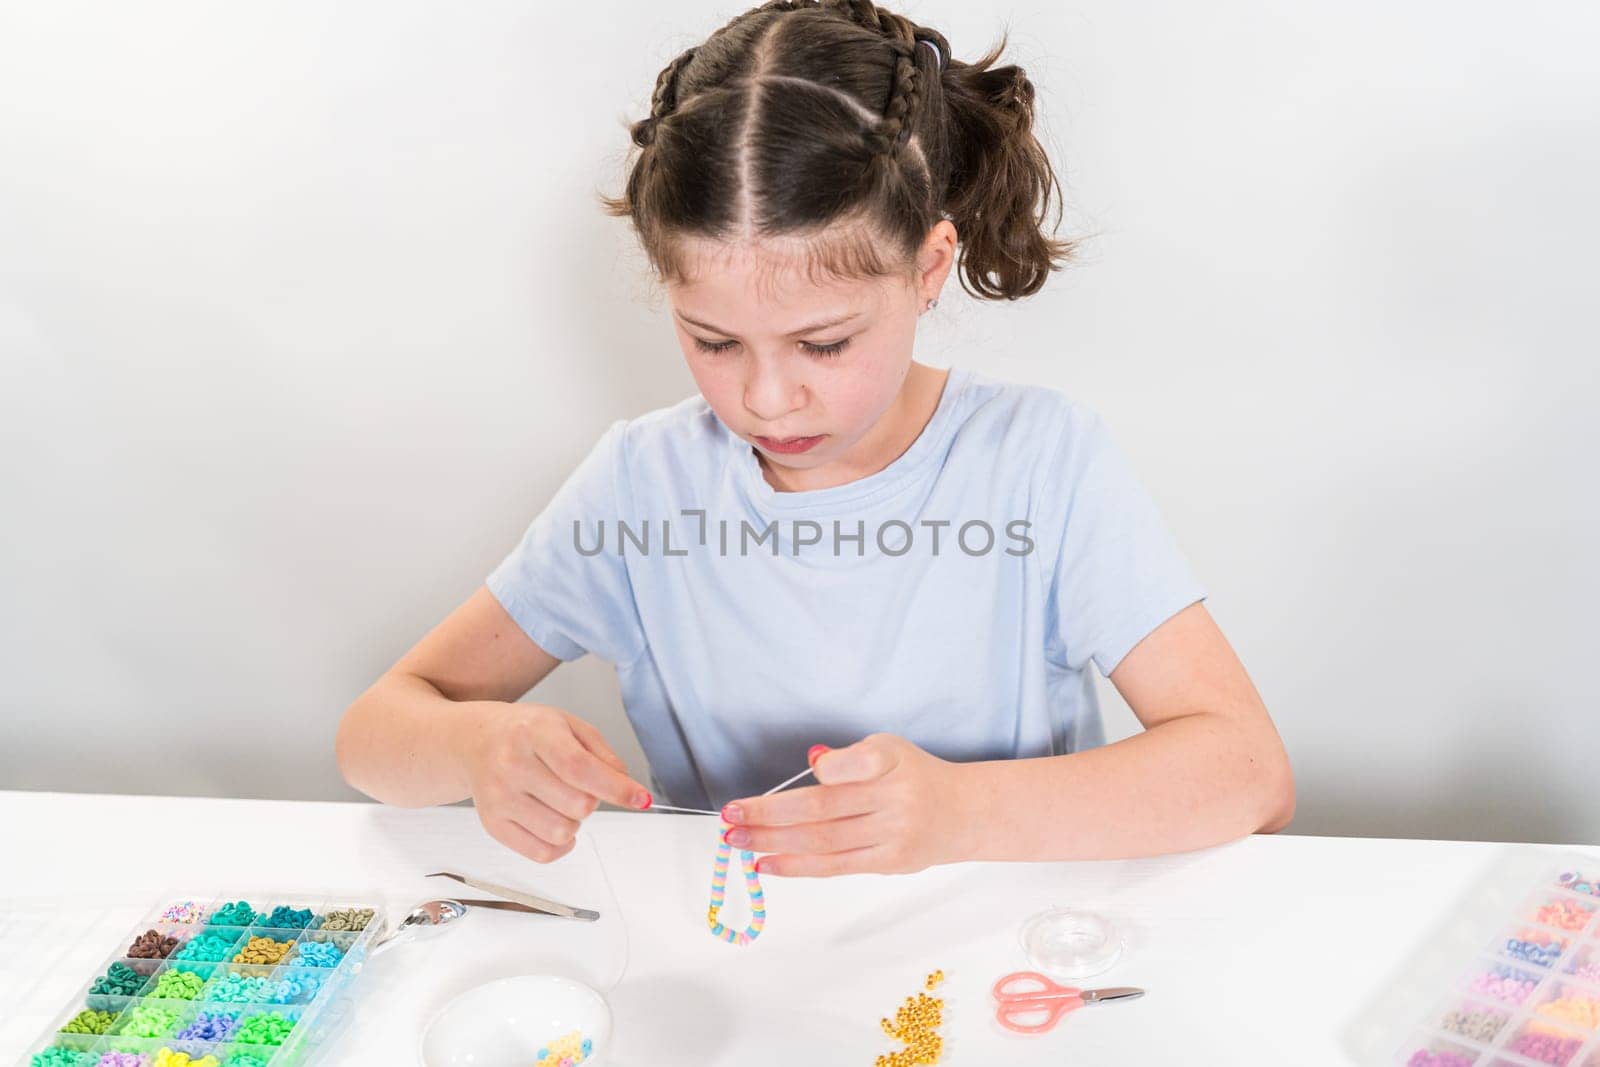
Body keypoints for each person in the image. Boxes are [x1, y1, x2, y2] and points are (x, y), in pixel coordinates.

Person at [336, 0, 1294, 878]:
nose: (767, 398)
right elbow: (376, 732)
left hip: (994, 964)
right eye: (713, 341)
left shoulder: (1040, 463)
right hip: (739, 967)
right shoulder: (642, 486)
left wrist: (965, 812)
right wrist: (477, 747)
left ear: (928, 267)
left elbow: (1248, 771)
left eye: (824, 341)